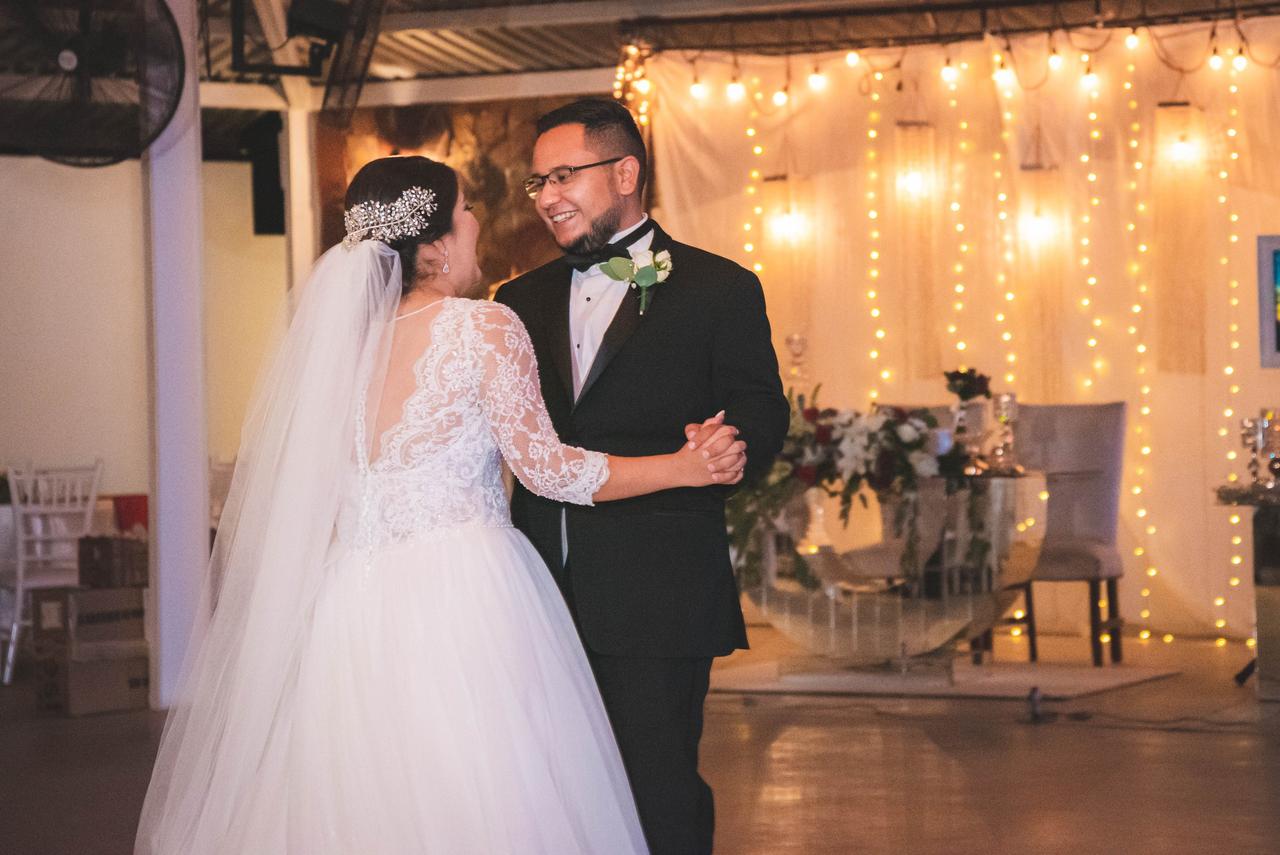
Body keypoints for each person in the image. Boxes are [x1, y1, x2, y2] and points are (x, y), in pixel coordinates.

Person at [134, 155, 748, 854]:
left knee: (364, 795)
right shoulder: (481, 327)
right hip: (466, 597)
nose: (477, 220)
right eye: (465, 209)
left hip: (349, 607)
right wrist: (684, 466)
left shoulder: (341, 349)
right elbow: (549, 470)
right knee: (484, 791)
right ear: (434, 244)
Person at [496, 98, 790, 855]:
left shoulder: (720, 288)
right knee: (546, 792)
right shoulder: (515, 303)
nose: (548, 196)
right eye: (538, 182)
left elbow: (760, 408)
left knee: (656, 789)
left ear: (625, 172)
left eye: (564, 175)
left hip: (658, 590)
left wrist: (731, 445)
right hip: (534, 597)